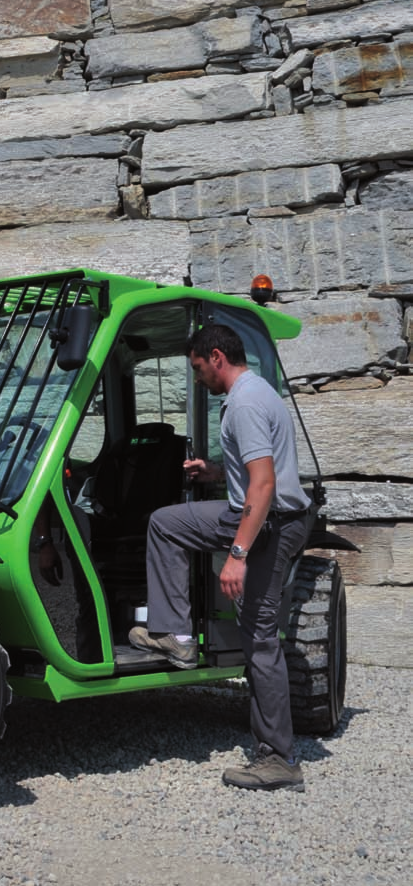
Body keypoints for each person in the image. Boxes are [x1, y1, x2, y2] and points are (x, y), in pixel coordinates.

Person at [127, 323, 312, 792]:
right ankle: (178, 636)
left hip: (270, 523)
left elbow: (265, 485)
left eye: (197, 368)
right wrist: (214, 470)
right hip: (256, 513)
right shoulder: (257, 393)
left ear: (216, 357)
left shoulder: (245, 404)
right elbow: (257, 472)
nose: (197, 379)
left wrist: (237, 555)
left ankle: (278, 759)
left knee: (259, 635)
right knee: (167, 522)